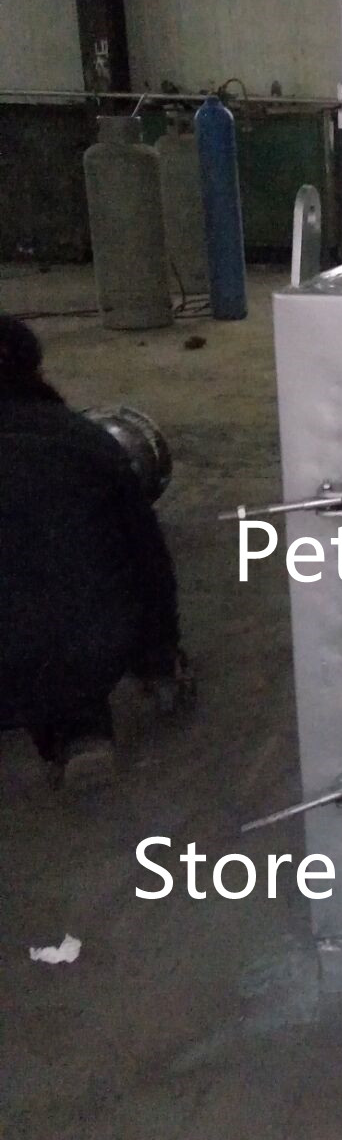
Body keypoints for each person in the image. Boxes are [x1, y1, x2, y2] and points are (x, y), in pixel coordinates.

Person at [0, 316, 185, 787]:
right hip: (85, 652)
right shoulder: (83, 440)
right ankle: (81, 733)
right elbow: (149, 564)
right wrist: (159, 659)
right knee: (64, 613)